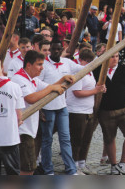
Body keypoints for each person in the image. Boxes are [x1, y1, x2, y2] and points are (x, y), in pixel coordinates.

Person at [11, 50, 73, 175]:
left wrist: (62, 79)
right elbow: (31, 98)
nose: (42, 68)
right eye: (39, 64)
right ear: (28, 65)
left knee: (28, 167)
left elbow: (47, 87)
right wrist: (51, 88)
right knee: (27, 169)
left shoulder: (32, 79)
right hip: (23, 130)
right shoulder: (19, 79)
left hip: (28, 130)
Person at [37, 39, 83, 175]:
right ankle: (48, 169)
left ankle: (71, 169)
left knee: (65, 138)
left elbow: (85, 68)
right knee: (47, 140)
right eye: (54, 49)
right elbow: (38, 85)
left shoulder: (67, 63)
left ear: (62, 49)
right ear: (50, 50)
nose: (56, 51)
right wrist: (39, 109)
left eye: (58, 49)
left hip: (62, 107)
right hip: (47, 108)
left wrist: (102, 57)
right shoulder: (43, 65)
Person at [93, 52, 125, 175]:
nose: (115, 59)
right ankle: (114, 165)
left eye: (117, 56)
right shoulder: (98, 70)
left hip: (124, 110)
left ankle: (123, 163)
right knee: (109, 138)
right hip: (105, 111)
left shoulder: (123, 69)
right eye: (112, 56)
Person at [67, 49, 106, 175]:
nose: (90, 64)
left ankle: (82, 163)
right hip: (77, 111)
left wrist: (99, 89)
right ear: (81, 61)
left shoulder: (89, 73)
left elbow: (92, 88)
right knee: (77, 139)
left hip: (88, 110)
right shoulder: (78, 72)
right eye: (88, 62)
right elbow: (77, 92)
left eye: (91, 62)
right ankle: (74, 165)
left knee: (86, 139)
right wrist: (96, 91)